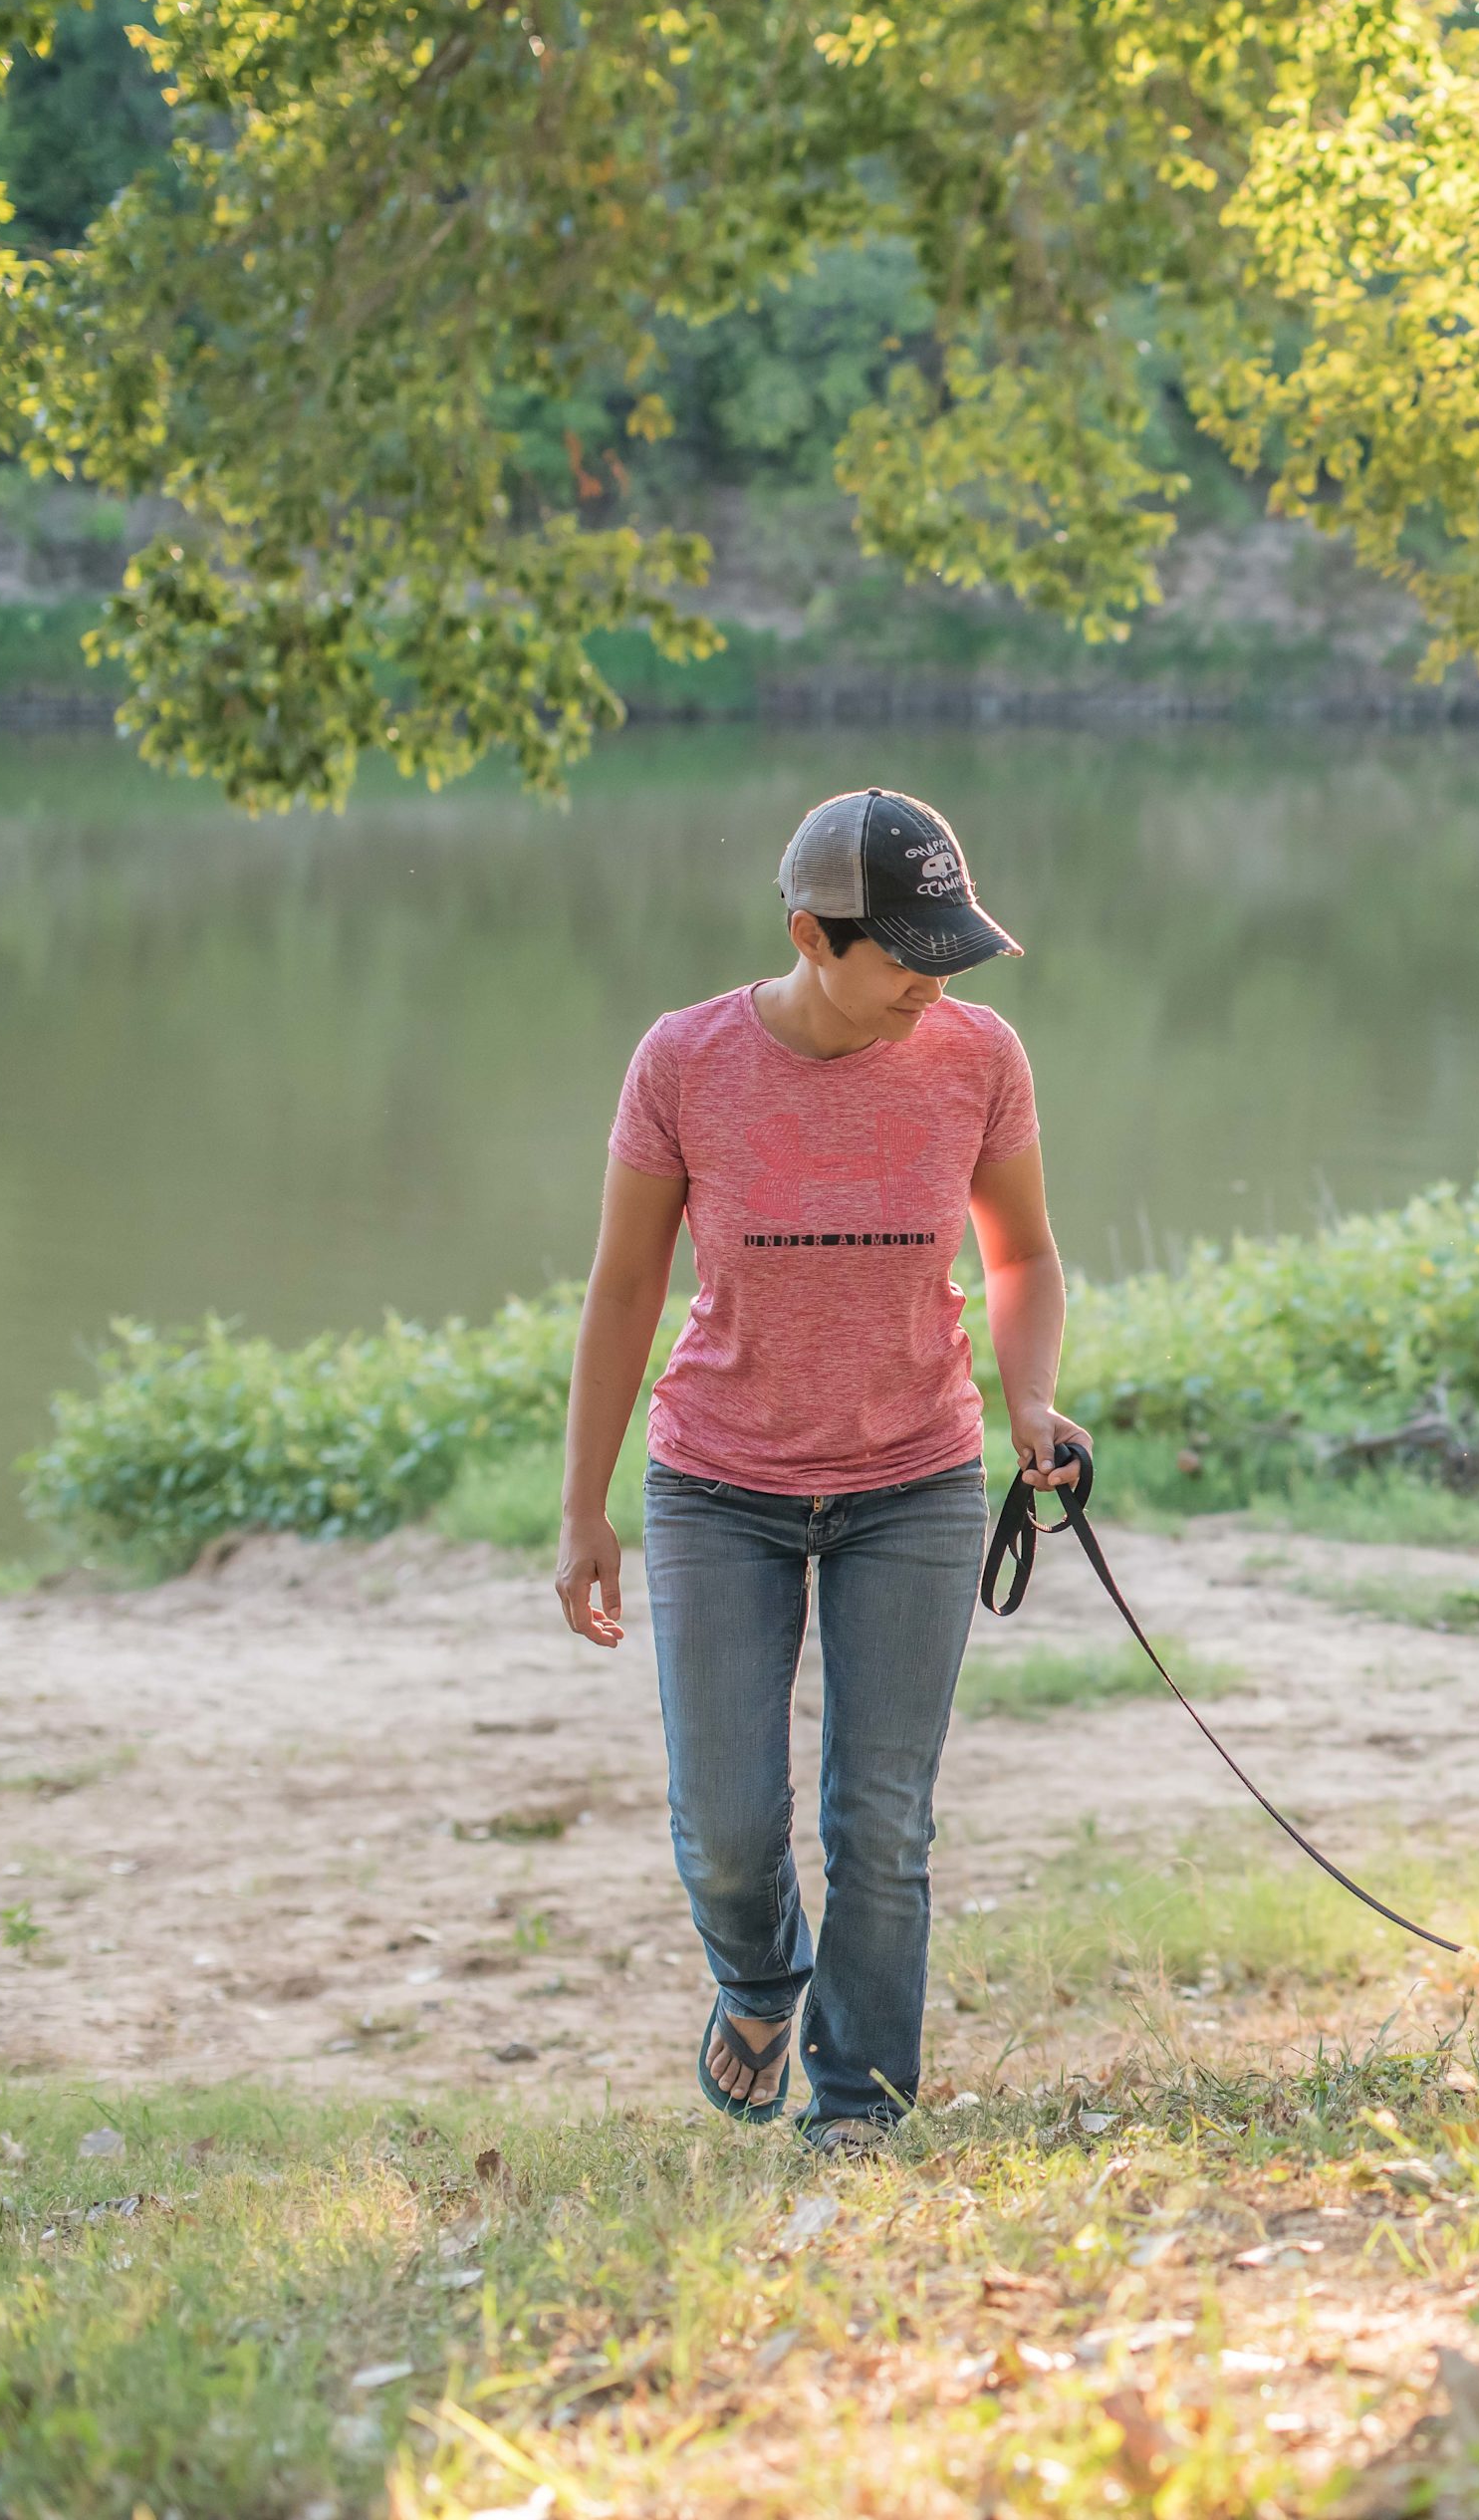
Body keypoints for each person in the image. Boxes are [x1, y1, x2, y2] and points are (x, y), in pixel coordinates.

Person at [553, 786, 1081, 2154]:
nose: (932, 986)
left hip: (913, 1481)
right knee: (726, 1830)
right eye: (905, 959)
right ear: (811, 934)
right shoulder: (683, 1063)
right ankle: (759, 1982)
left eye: (947, 954)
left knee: (882, 1826)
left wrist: (1032, 1403)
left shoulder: (980, 1058)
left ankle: (858, 2111)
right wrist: (582, 1509)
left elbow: (1020, 1257)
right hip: (717, 1481)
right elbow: (621, 1293)